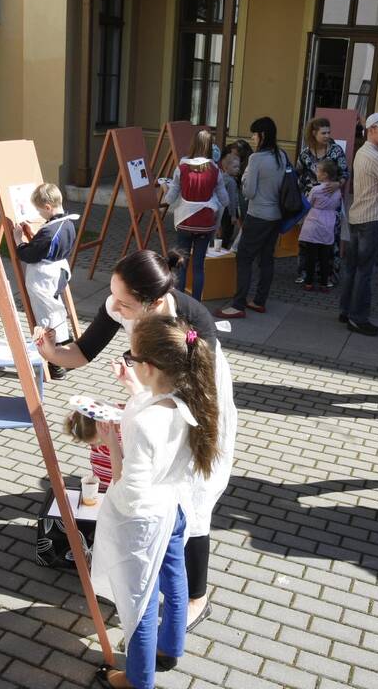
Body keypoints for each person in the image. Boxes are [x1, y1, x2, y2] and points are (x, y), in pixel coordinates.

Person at [33, 250, 236, 629]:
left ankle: (196, 598)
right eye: (113, 296)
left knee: (192, 496)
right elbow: (82, 351)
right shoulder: (122, 304)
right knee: (162, 495)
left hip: (196, 398)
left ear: (154, 302)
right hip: (154, 387)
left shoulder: (190, 325)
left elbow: (193, 395)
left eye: (125, 304)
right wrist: (51, 352)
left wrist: (142, 402)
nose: (115, 307)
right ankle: (163, 560)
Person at [92, 315, 219, 689]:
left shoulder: (143, 421)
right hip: (173, 509)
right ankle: (170, 647)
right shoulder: (187, 395)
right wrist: (135, 390)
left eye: (131, 360)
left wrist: (112, 445)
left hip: (143, 521)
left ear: (148, 367)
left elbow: (129, 491)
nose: (128, 365)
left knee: (140, 603)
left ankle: (138, 680)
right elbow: (155, 412)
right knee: (174, 580)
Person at [216, 117, 286, 319]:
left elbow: (249, 192)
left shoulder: (256, 159)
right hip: (276, 215)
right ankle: (259, 301)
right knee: (266, 259)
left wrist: (245, 177)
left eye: (254, 134)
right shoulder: (281, 155)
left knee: (244, 258)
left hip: (258, 215)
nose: (253, 138)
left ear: (262, 135)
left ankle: (238, 304)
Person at [339, 111, 378, 336]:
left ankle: (345, 310)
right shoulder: (376, 157)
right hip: (371, 219)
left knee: (352, 268)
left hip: (357, 216)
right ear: (371, 130)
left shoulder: (362, 152)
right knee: (364, 272)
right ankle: (358, 318)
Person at [14, 183, 78, 380]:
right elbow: (44, 246)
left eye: (39, 210)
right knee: (56, 313)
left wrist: (19, 241)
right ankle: (68, 355)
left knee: (46, 318)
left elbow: (31, 254)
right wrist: (34, 238)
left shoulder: (50, 232)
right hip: (58, 272)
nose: (39, 214)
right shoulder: (67, 223)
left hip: (44, 277)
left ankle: (56, 365)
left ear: (48, 207)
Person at [164, 130, 228, 301]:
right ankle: (197, 304)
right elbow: (225, 200)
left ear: (193, 144)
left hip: (185, 221)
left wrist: (166, 189)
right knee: (199, 266)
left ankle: (179, 303)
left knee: (182, 265)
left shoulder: (182, 167)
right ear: (210, 146)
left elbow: (170, 198)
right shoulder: (215, 170)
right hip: (205, 223)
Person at [296, 116, 350, 284]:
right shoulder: (305, 153)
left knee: (330, 239)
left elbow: (345, 173)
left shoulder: (336, 151)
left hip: (329, 203)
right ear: (314, 133)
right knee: (307, 239)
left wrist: (337, 184)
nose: (327, 135)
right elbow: (298, 173)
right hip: (310, 203)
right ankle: (305, 273)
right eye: (323, 132)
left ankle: (328, 275)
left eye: (329, 132)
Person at [299, 158, 342, 291]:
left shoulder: (316, 190)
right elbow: (336, 205)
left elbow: (308, 204)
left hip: (314, 223)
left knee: (311, 256)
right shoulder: (337, 191)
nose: (316, 172)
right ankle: (324, 283)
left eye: (318, 170)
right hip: (329, 223)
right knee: (325, 257)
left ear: (325, 174)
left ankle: (309, 282)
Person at [218, 149, 243, 248]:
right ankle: (223, 251)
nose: (238, 169)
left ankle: (218, 249)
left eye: (238, 167)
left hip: (222, 210)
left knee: (223, 232)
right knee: (227, 233)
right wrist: (233, 215)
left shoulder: (221, 178)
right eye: (235, 167)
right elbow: (232, 200)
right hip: (229, 212)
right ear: (226, 167)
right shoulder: (232, 182)